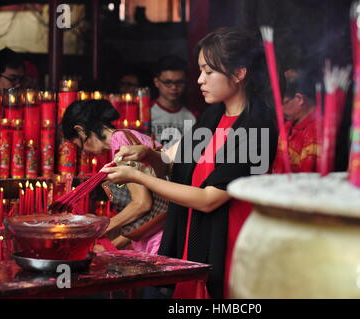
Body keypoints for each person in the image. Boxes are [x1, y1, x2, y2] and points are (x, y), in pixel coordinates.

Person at [102, 27, 279, 299]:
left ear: (239, 73)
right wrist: (149, 157)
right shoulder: (213, 116)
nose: (199, 80)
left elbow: (209, 199)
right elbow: (174, 166)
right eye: (200, 71)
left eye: (208, 72)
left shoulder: (257, 127)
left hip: (229, 245)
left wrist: (140, 178)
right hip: (194, 239)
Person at [61, 99, 163, 253]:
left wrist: (99, 228)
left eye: (78, 145)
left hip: (158, 239)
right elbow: (148, 217)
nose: (84, 151)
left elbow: (142, 204)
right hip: (155, 233)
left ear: (81, 131)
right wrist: (109, 247)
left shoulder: (120, 142)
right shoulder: (126, 138)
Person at [279, 70, 320, 173]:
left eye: (283, 103)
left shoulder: (314, 133)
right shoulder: (287, 126)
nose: (280, 110)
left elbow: (304, 179)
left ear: (300, 99)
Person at [151, 55, 196, 147]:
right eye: (168, 82)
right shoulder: (146, 112)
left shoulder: (192, 115)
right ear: (156, 82)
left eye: (179, 82)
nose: (174, 87)